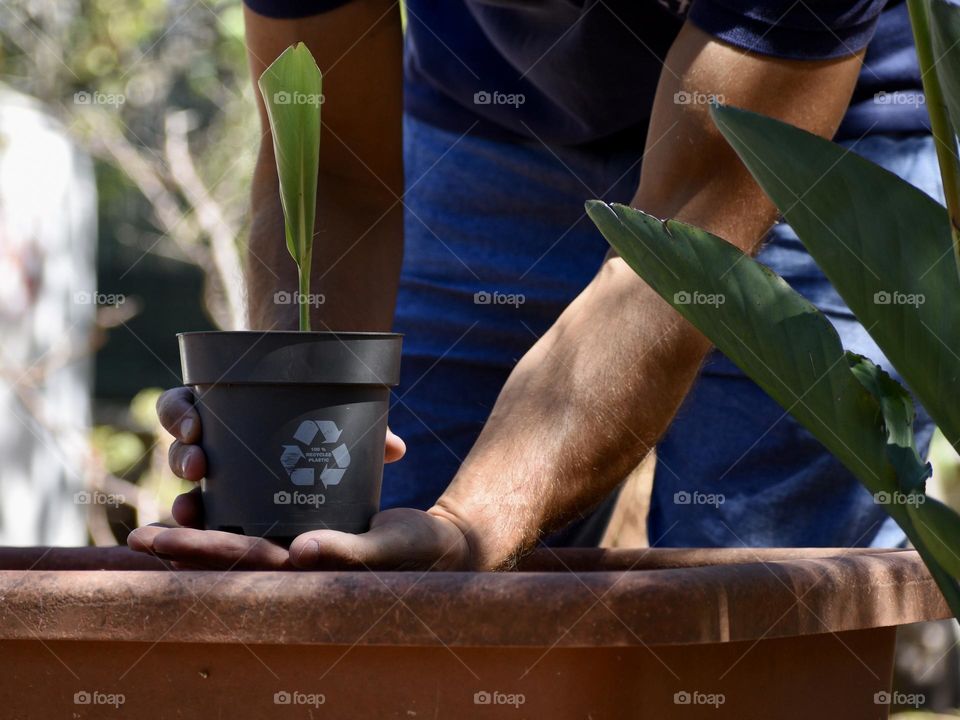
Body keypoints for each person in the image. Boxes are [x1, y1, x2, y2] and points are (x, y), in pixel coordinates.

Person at [129, 0, 938, 570]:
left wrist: (471, 523)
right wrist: (280, 432)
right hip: (489, 134)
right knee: (358, 574)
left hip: (812, 137)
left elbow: (682, 255)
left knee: (752, 596)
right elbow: (335, 174)